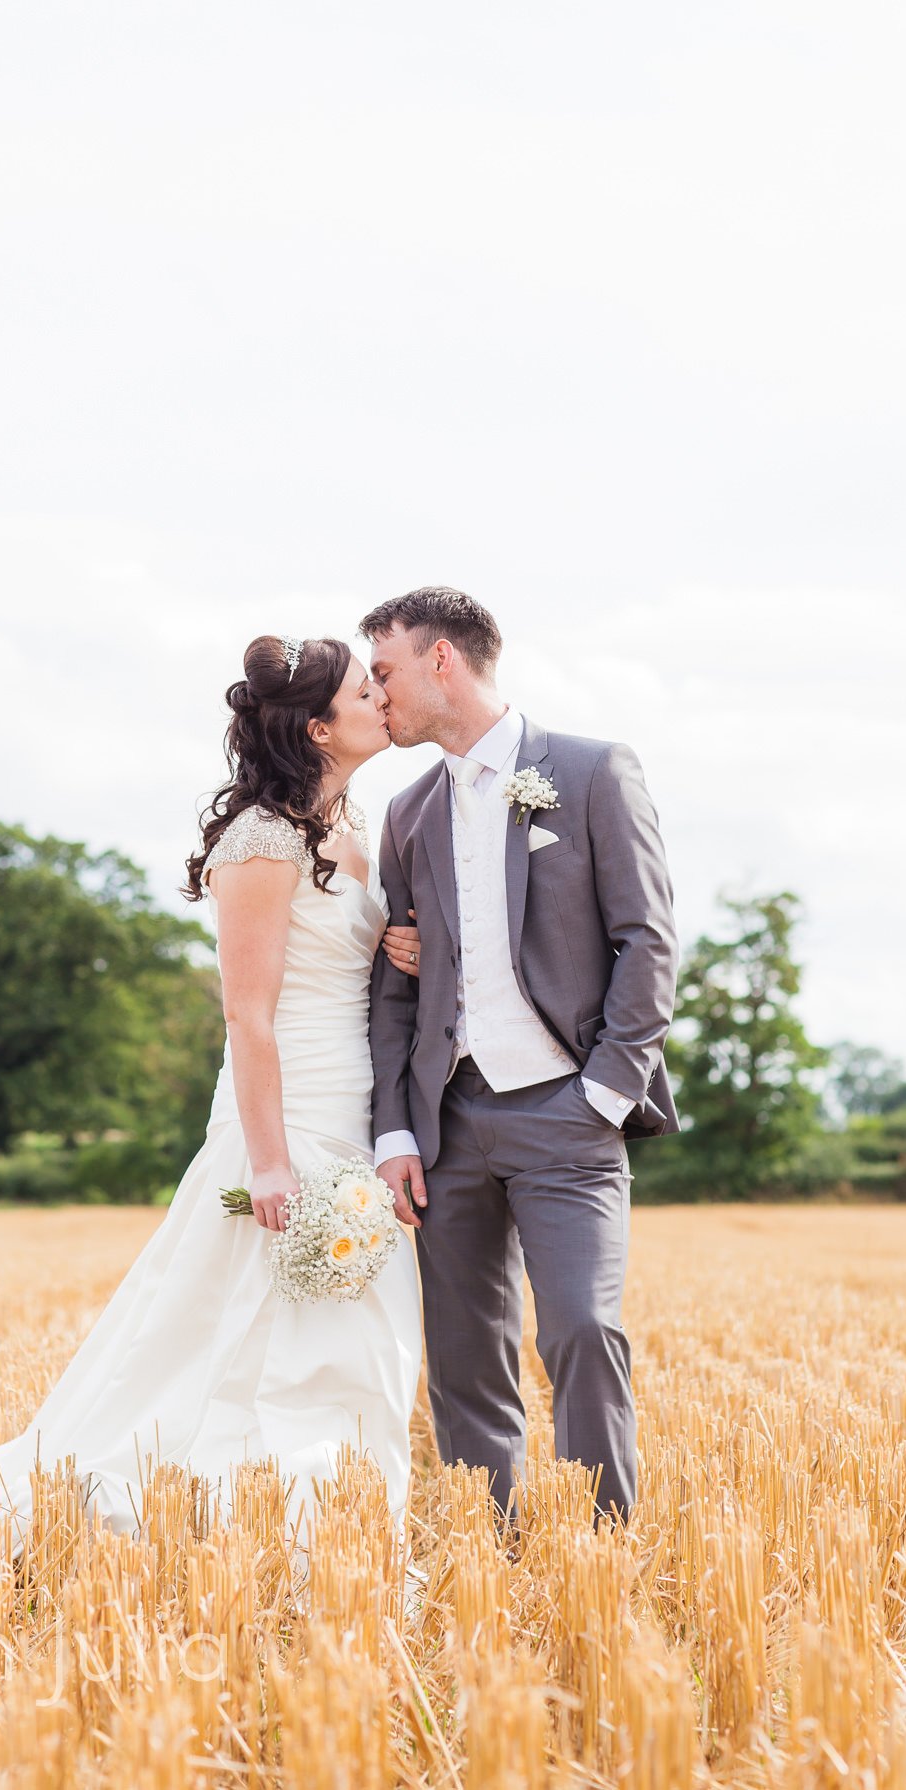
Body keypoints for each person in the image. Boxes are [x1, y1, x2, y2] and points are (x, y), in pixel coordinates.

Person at [0, 634, 423, 1560]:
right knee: (243, 1328)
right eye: (360, 689)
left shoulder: (355, 827)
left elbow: (343, 958)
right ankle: (232, 1520)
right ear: (317, 726)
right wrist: (266, 1163)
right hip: (286, 1116)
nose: (381, 697)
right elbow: (248, 1016)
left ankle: (340, 1532)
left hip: (358, 1107)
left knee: (356, 1332)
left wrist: (395, 949)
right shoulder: (259, 839)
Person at [362, 587, 680, 1531]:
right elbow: (397, 986)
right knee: (464, 1357)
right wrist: (393, 1130)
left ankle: (600, 1550)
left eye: (385, 673)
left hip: (569, 1112)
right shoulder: (407, 813)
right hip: (447, 1122)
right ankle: (489, 1556)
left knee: (583, 1329)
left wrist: (607, 1091)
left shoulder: (588, 773)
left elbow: (647, 940)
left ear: (442, 660)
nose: (377, 696)